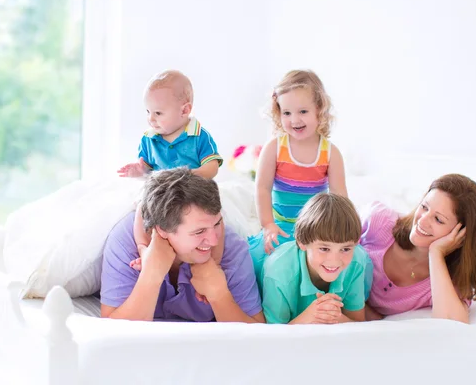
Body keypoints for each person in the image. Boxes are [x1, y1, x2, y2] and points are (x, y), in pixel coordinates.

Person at [100, 168, 264, 323]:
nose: (214, 240)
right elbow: (111, 327)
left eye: (217, 224)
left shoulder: (233, 249)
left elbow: (260, 336)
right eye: (199, 232)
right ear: (162, 230)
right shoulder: (126, 240)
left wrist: (219, 295)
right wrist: (151, 275)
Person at [116, 70, 223, 271]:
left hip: (192, 190)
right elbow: (148, 168)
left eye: (158, 113)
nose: (151, 119)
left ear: (184, 110)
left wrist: (187, 176)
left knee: (214, 218)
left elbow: (212, 167)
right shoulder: (149, 138)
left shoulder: (199, 136)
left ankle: (212, 263)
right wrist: (139, 170)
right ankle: (144, 250)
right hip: (161, 192)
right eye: (148, 112)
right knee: (141, 209)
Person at [249, 70, 348, 283]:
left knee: (342, 263)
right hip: (281, 226)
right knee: (257, 260)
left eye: (303, 111)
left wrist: (341, 233)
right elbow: (262, 189)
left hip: (316, 230)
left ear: (319, 109)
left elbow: (340, 199)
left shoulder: (331, 153)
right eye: (286, 113)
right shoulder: (274, 148)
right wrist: (268, 225)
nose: (294, 120)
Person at [361, 174, 476, 324]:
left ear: (462, 235)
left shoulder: (447, 279)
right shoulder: (378, 221)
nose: (423, 220)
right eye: (424, 207)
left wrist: (436, 253)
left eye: (438, 219)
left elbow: (452, 324)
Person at [260, 193, 372, 324]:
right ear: (302, 242)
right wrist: (309, 316)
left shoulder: (356, 261)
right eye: (324, 249)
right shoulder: (278, 273)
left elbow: (358, 323)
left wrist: (338, 318)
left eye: (345, 249)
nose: (334, 260)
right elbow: (273, 337)